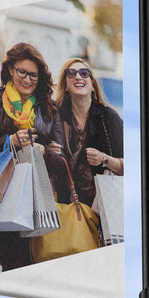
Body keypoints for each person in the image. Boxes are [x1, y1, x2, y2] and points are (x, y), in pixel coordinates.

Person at [0, 42, 61, 270]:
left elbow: (60, 158)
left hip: (39, 193)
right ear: (11, 70)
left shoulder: (48, 108)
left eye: (33, 75)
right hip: (8, 192)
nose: (27, 79)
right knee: (12, 264)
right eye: (21, 72)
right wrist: (9, 141)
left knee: (35, 264)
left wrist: (43, 150)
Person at [51, 57, 124, 210]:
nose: (78, 76)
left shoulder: (108, 117)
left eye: (84, 73)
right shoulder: (54, 117)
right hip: (66, 210)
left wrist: (104, 159)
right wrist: (49, 152)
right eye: (71, 73)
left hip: (102, 211)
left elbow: (131, 166)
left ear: (92, 84)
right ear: (65, 86)